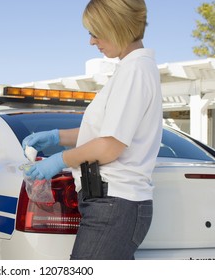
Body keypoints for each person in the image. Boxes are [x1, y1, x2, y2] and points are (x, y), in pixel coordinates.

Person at [22, 0, 162, 260]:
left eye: (95, 32)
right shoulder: (132, 69)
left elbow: (109, 146)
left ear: (116, 27)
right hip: (114, 205)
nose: (91, 41)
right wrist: (55, 137)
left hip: (113, 205)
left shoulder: (134, 71)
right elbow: (102, 134)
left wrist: (58, 160)